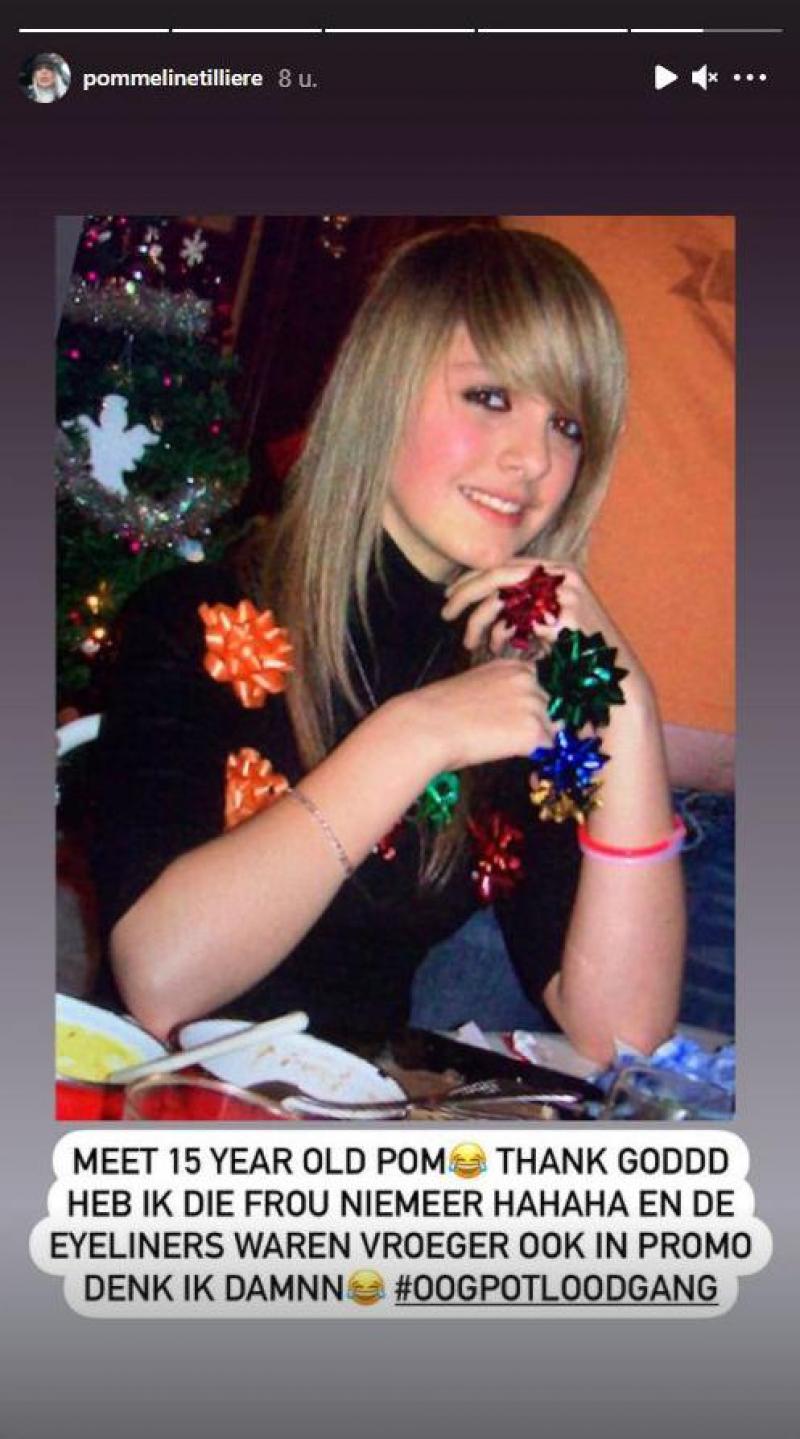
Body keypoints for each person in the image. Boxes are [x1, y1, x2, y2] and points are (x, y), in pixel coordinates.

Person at [91, 226, 685, 1063]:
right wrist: (418, 733)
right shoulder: (198, 617)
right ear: (383, 389)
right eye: (490, 396)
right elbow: (161, 977)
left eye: (567, 424)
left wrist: (630, 713)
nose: (534, 459)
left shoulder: (517, 689)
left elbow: (624, 1032)